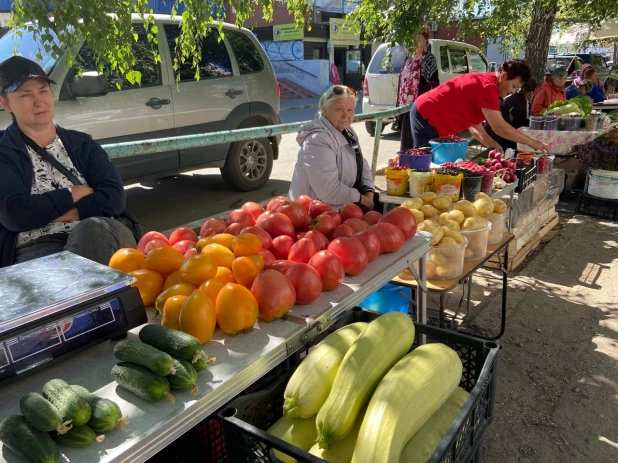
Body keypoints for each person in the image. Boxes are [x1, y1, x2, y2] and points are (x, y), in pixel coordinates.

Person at [0, 56, 140, 268]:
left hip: (102, 233)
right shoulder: (4, 153)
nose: (38, 101)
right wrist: (74, 193)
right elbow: (14, 215)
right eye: (25, 94)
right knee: (54, 274)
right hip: (37, 245)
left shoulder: (83, 144)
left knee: (92, 230)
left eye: (43, 90)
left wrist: (42, 213)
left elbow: (113, 199)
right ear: (5, 103)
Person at [409, 59, 551, 154]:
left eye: (517, 89)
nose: (513, 92)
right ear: (503, 76)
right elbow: (499, 127)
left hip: (433, 116)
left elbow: (474, 125)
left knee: (436, 163)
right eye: (514, 86)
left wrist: (491, 144)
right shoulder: (487, 87)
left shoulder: (489, 85)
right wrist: (532, 143)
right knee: (424, 164)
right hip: (427, 115)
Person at [288, 85, 379, 212]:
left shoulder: (348, 131)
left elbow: (361, 163)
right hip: (315, 213)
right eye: (339, 109)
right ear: (325, 110)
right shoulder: (317, 140)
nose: (345, 115)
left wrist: (369, 192)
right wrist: (362, 199)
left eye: (350, 110)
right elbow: (329, 190)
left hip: (343, 204)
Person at [397, 32, 439, 151]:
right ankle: (406, 165)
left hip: (420, 107)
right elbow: (401, 83)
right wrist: (398, 107)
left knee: (417, 142)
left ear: (426, 41)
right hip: (405, 106)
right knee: (406, 142)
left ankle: (417, 166)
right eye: (415, 38)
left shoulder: (428, 58)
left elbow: (434, 83)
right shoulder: (408, 59)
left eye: (420, 38)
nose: (417, 41)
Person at [484, 78, 537, 152]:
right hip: (501, 138)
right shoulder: (522, 102)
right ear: (532, 93)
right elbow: (521, 124)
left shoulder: (512, 98)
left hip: (492, 133)